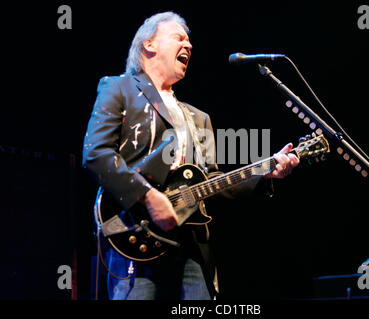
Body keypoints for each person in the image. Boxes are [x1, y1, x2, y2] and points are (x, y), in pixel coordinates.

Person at [82, 11, 299, 300]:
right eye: (179, 37)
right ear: (149, 45)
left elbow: (211, 181)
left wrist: (265, 172)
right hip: (134, 233)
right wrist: (147, 196)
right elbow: (96, 154)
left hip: (193, 246)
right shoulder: (119, 88)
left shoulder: (199, 118)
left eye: (190, 40)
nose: (190, 45)